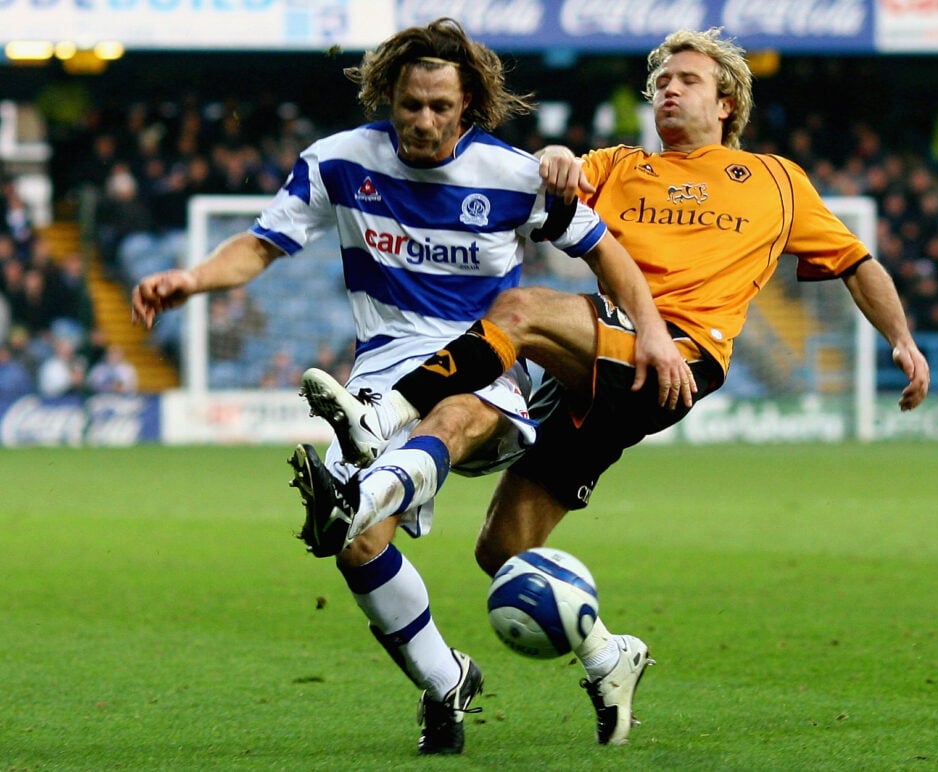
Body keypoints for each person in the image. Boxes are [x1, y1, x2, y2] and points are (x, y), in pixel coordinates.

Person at [298, 26, 931, 745]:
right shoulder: (623, 165)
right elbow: (553, 174)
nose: (668, 90)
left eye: (686, 80)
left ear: (726, 102)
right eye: (660, 82)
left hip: (676, 356)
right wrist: (558, 157)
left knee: (520, 311)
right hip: (595, 377)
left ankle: (383, 415)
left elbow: (855, 262)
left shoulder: (777, 182)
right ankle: (609, 657)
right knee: (502, 549)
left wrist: (902, 340)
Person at [130, 18, 680, 755]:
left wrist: (650, 332)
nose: (423, 120)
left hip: (485, 362)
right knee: (358, 549)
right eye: (411, 104)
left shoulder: (512, 175)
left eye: (440, 107)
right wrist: (191, 279)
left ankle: (361, 489)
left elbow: (607, 252)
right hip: (381, 370)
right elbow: (260, 245)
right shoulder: (338, 161)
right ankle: (445, 680)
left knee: (449, 415)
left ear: (467, 105)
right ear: (388, 96)